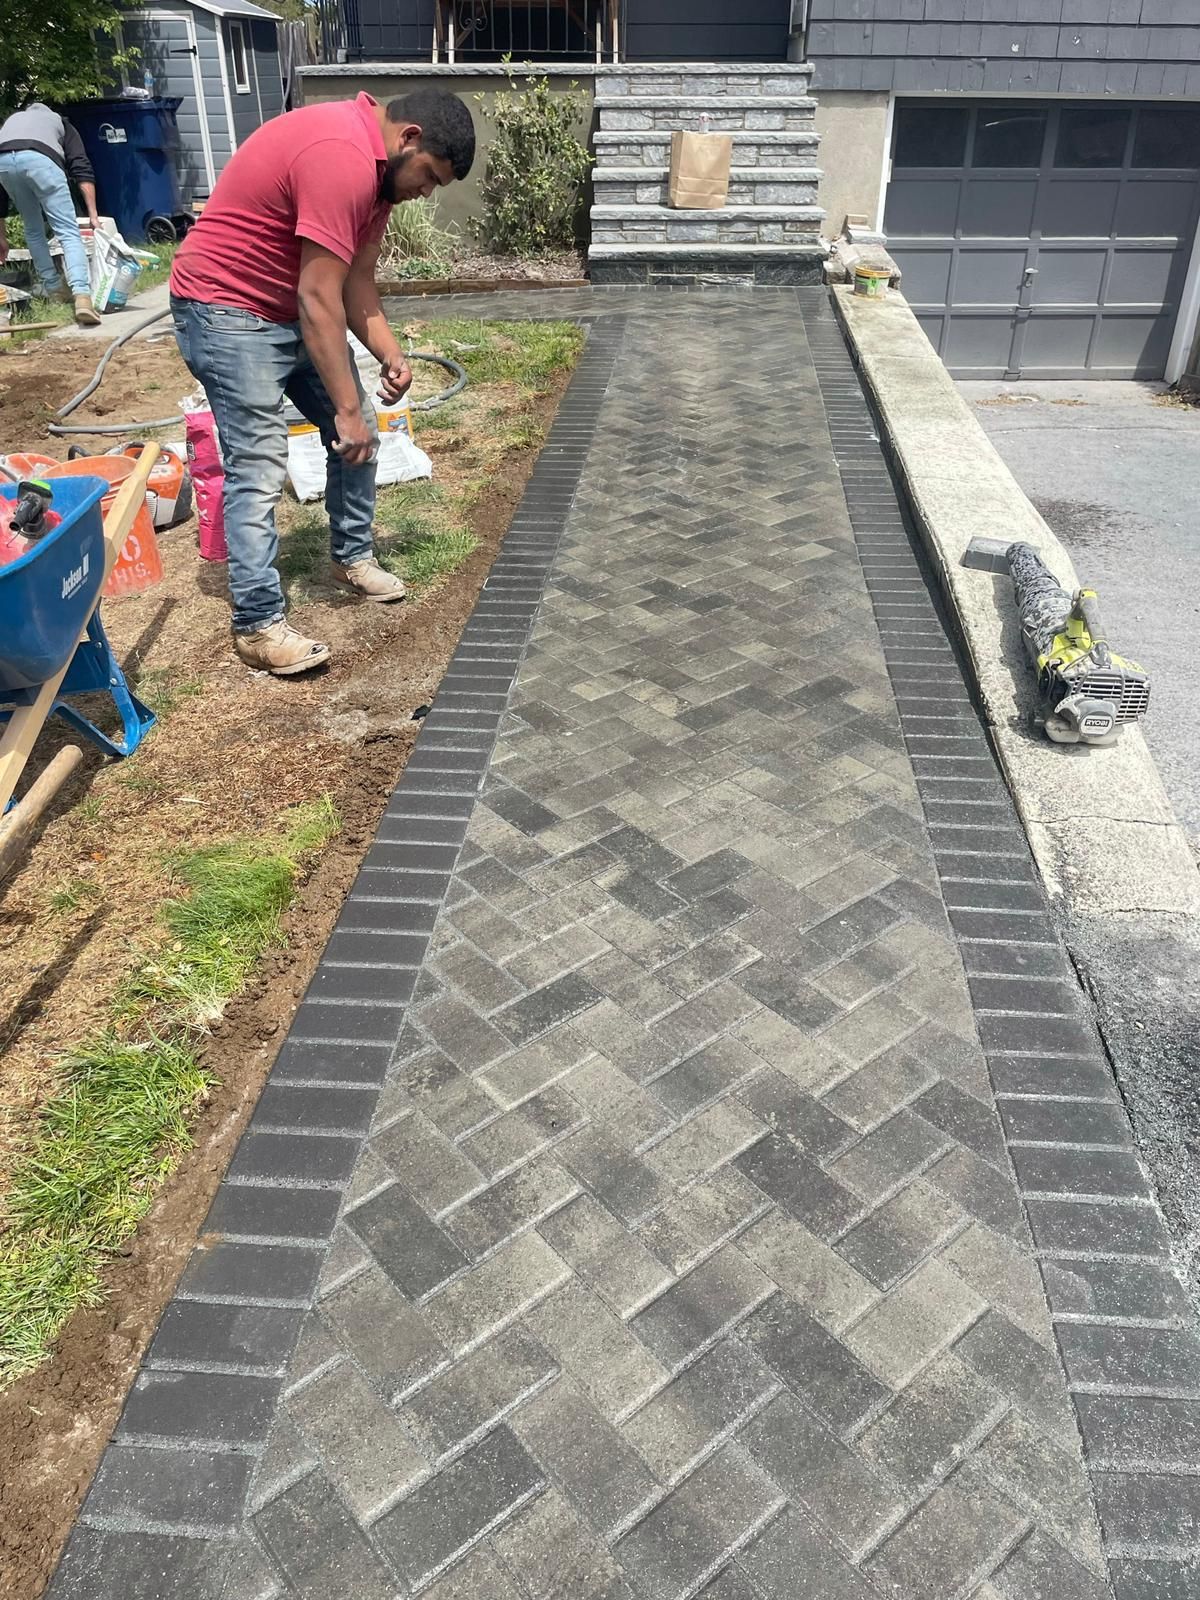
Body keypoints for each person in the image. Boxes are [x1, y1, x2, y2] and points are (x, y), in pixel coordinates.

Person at [169, 89, 475, 676]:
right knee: (259, 466)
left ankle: (351, 557)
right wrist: (348, 411)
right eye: (430, 177)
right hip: (227, 309)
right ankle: (257, 624)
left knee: (359, 434)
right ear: (409, 138)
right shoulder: (343, 157)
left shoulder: (380, 175)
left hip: (286, 308)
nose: (426, 193)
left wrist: (390, 355)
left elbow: (354, 280)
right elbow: (317, 297)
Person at [0, 103, 102, 326]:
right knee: (67, 230)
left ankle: (54, 288)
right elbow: (80, 167)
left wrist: (1, 236)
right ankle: (82, 296)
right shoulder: (62, 124)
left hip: (4, 163)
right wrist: (93, 214)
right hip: (41, 161)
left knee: (33, 228)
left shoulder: (12, 121)